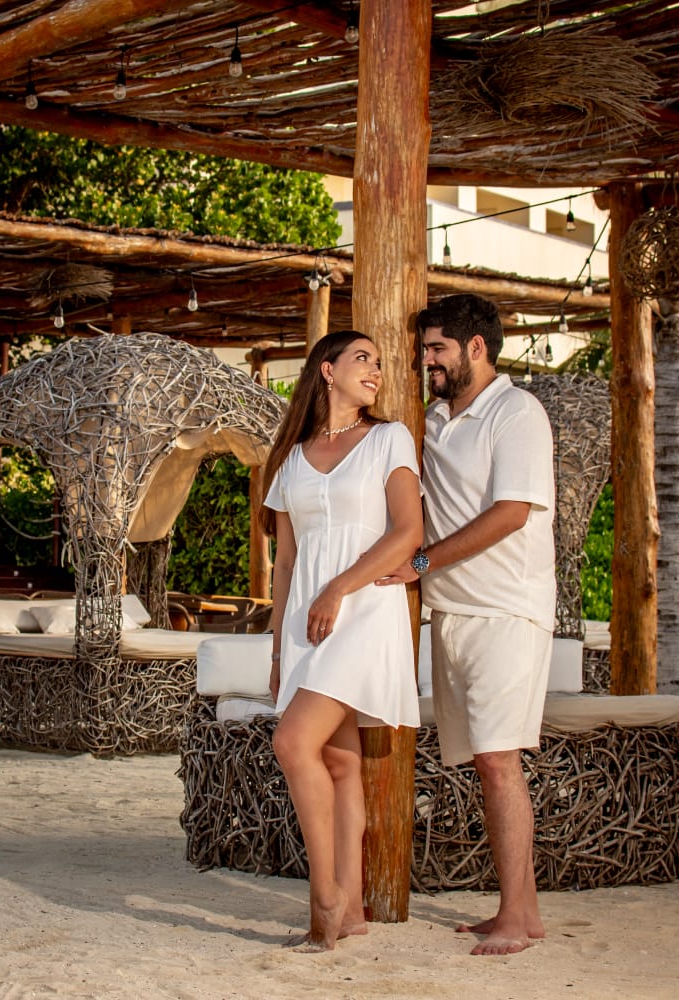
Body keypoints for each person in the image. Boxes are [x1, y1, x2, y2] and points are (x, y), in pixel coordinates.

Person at [379, 293, 555, 956]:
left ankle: (513, 918)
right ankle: (523, 913)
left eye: (437, 349)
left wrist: (421, 562)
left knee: (500, 762)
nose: (426, 361)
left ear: (475, 347)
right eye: (424, 350)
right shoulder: (433, 418)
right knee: (486, 762)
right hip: (451, 612)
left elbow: (512, 512)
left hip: (506, 611)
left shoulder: (517, 412)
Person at [260, 330, 424, 953]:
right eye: (363, 359)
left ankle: (324, 898)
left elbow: (408, 532)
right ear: (326, 371)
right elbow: (284, 564)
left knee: (292, 741)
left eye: (379, 362)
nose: (375, 370)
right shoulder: (290, 460)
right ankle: (351, 908)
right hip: (306, 622)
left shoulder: (389, 438)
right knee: (338, 760)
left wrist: (337, 589)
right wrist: (279, 649)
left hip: (364, 611)